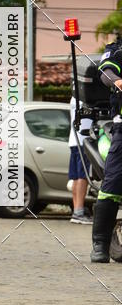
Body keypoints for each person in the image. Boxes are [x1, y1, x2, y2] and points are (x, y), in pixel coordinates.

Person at [90, 41, 122, 262]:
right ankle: (100, 243)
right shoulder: (118, 50)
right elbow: (106, 72)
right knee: (112, 184)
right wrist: (118, 81)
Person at [68, 95, 91, 224]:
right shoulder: (85, 97)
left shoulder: (74, 97)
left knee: (76, 177)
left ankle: (77, 211)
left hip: (74, 140)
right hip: (83, 141)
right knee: (83, 176)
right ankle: (79, 212)